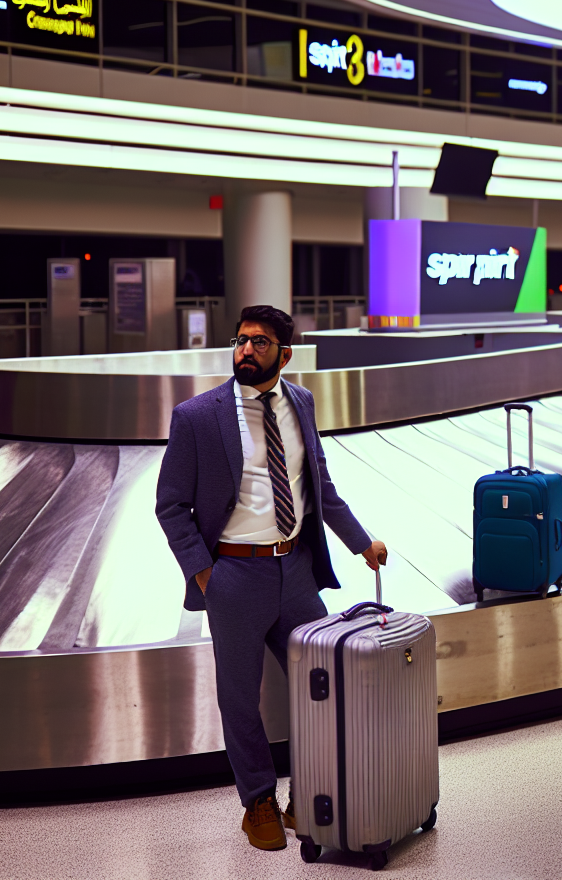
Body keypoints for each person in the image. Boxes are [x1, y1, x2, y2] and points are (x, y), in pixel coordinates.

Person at [156, 305, 386, 851]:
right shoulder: (197, 417)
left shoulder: (300, 403)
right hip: (233, 573)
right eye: (240, 340)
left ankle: (307, 794)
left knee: (323, 687)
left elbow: (320, 489)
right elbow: (170, 506)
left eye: (260, 343)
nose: (246, 351)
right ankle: (257, 799)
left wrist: (362, 543)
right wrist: (206, 575)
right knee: (239, 697)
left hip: (296, 572)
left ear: (284, 353)